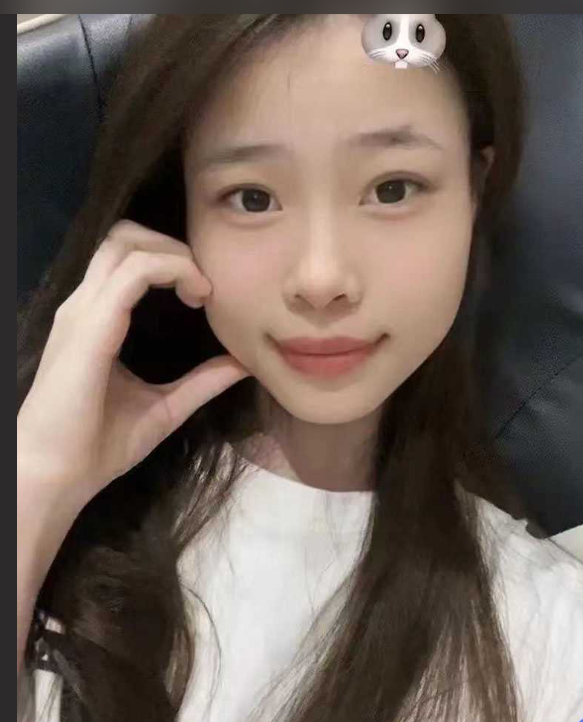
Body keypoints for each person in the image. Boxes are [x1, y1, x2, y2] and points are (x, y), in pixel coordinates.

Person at [17, 14, 583, 722]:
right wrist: (37, 481)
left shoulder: (551, 634)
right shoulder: (59, 508)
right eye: (252, 198)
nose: (321, 279)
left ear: (476, 186)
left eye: (393, 188)